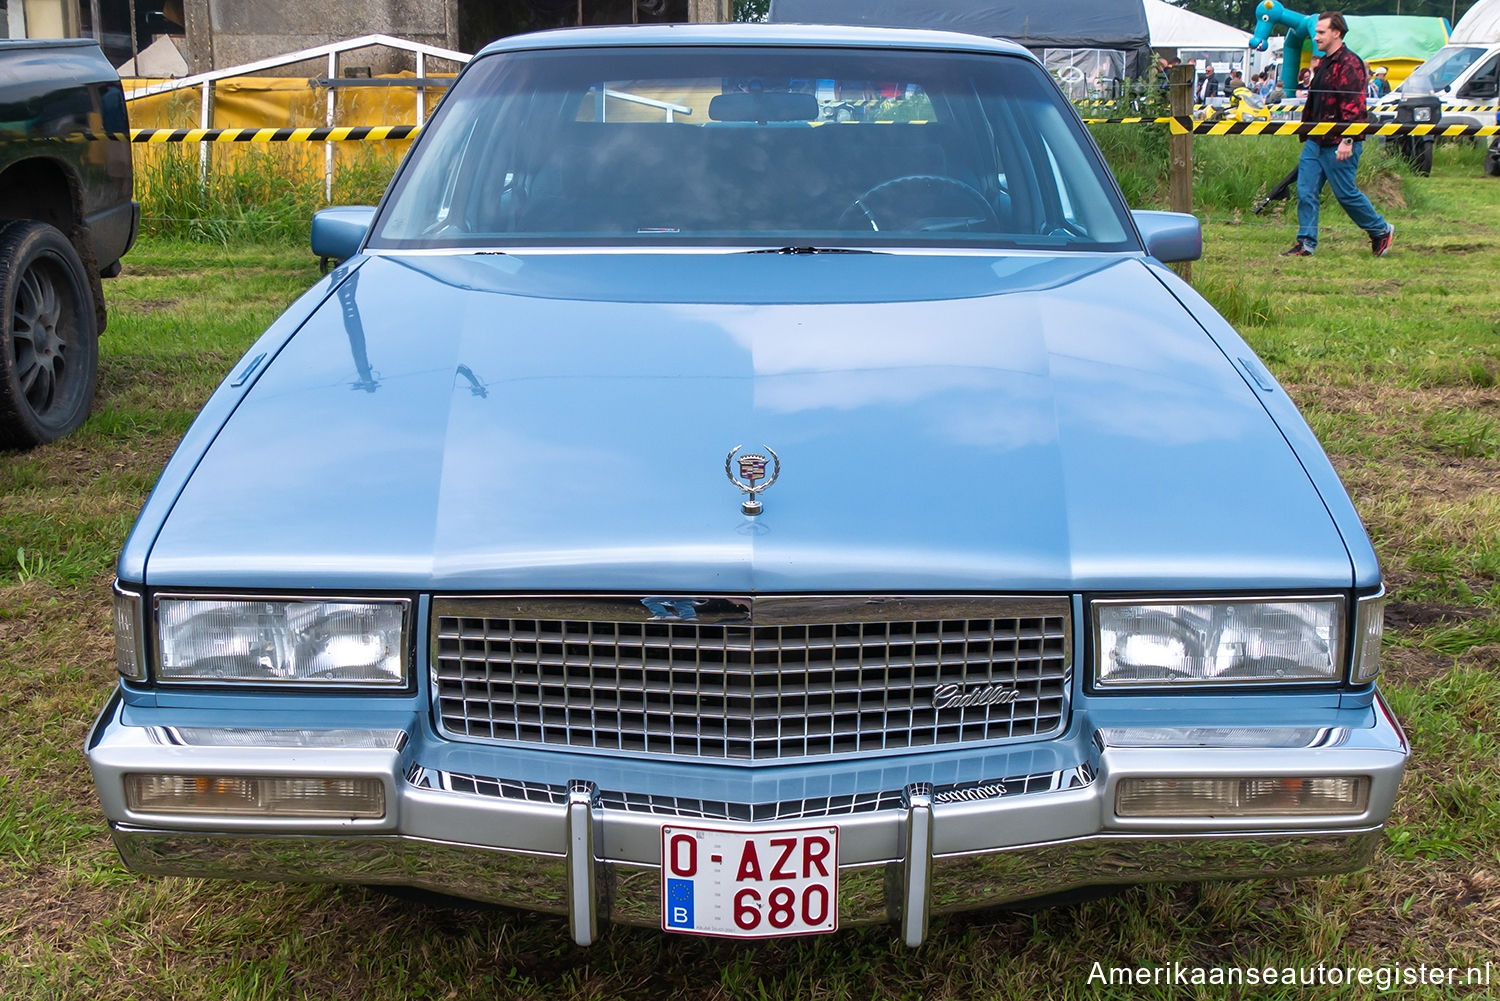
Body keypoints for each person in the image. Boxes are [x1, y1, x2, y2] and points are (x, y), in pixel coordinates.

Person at [1282, 11, 1394, 257]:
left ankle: (1380, 230)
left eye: (1321, 32)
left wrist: (1348, 140)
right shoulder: (1323, 63)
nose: (1316, 36)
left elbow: (1355, 107)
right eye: (1316, 31)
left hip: (1339, 142)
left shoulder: (1350, 64)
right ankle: (1306, 243)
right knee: (1305, 191)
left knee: (1345, 194)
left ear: (1337, 33)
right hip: (1316, 140)